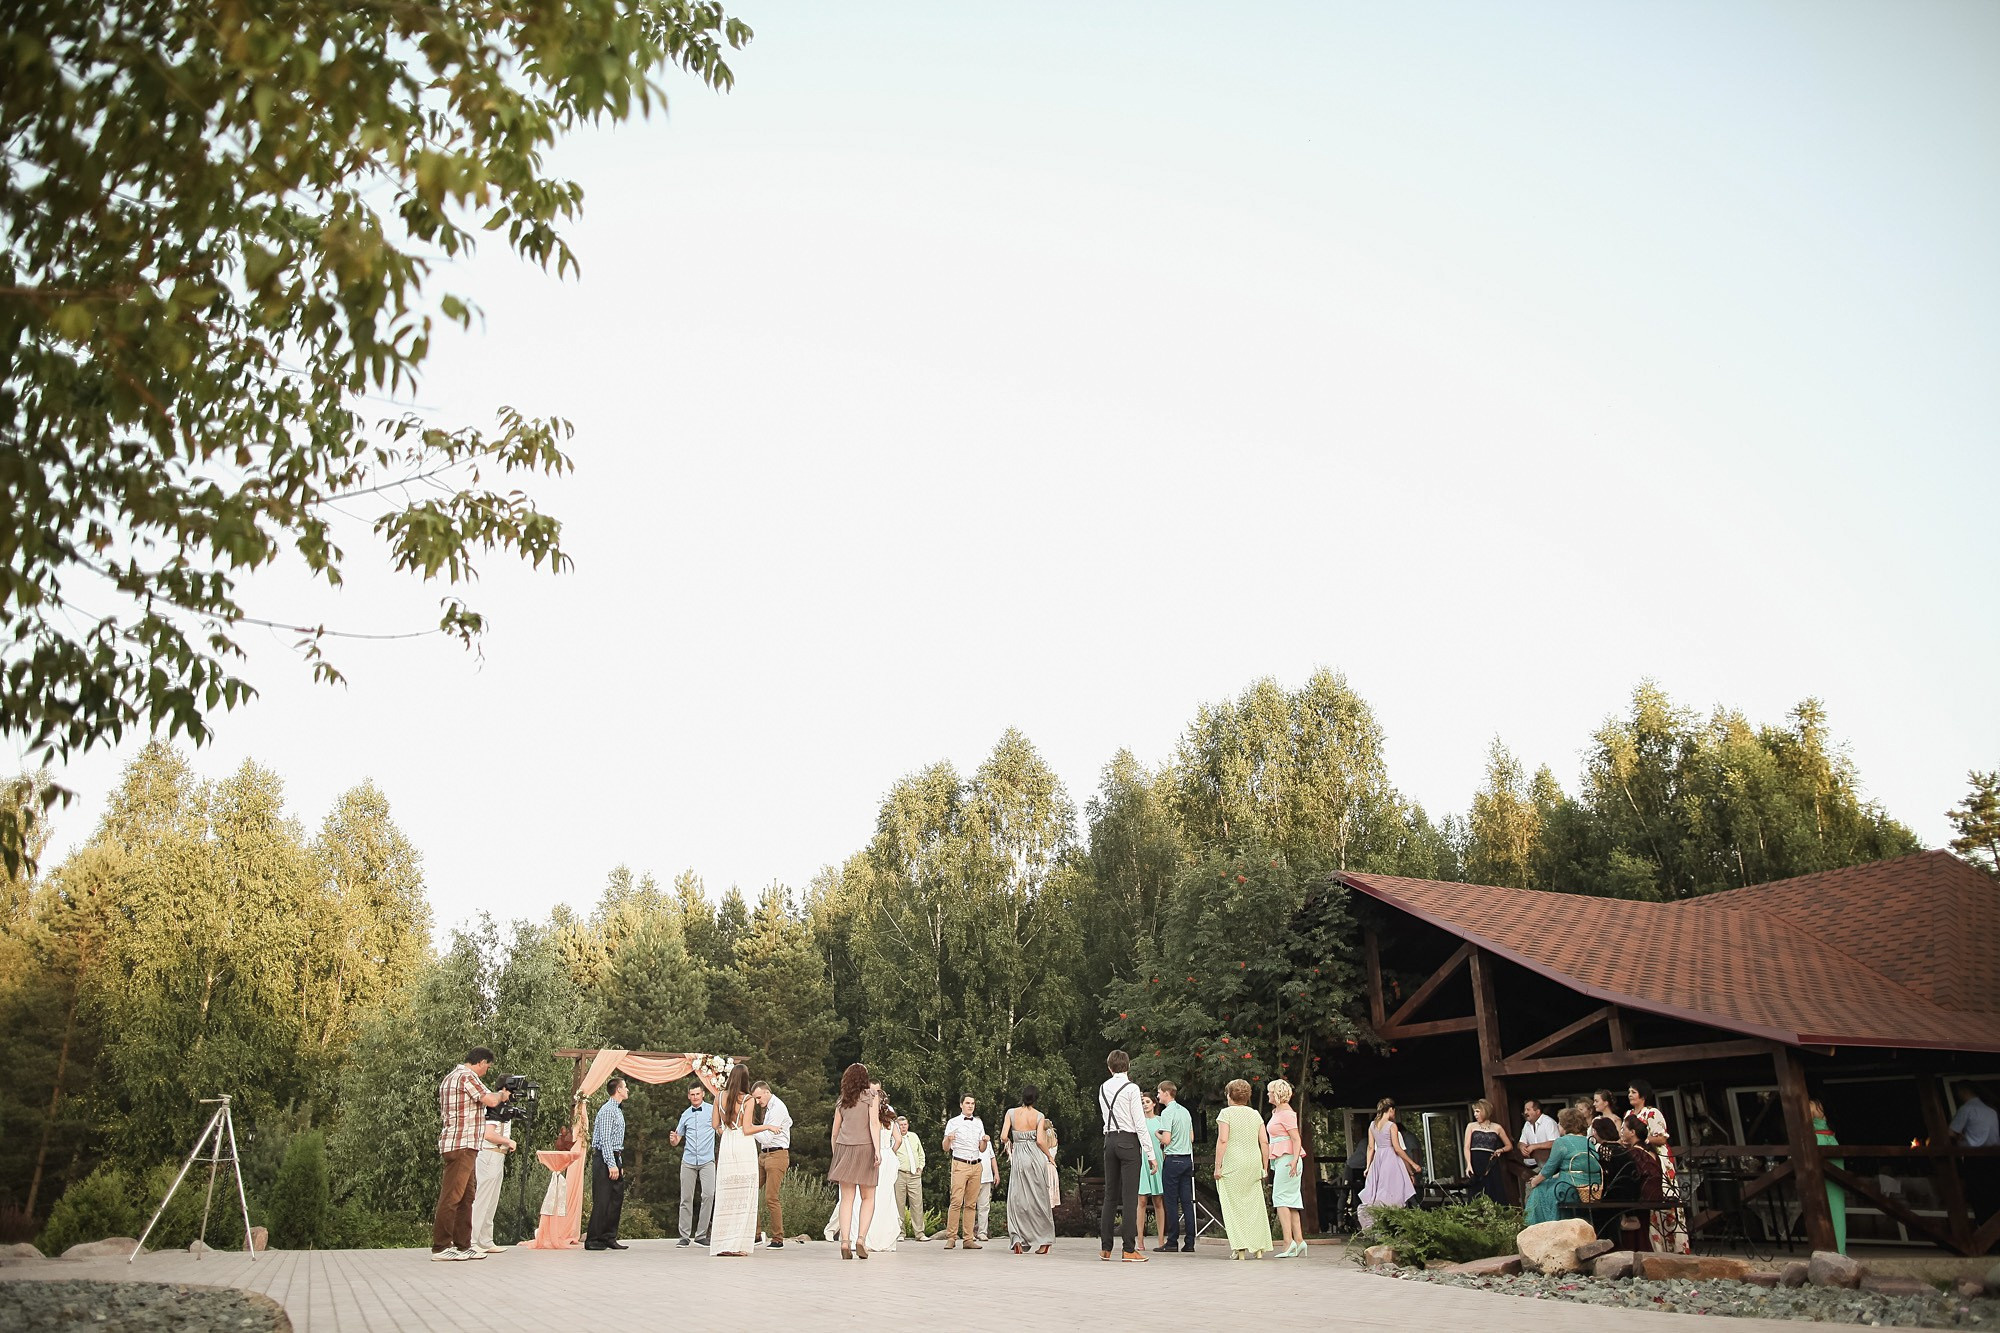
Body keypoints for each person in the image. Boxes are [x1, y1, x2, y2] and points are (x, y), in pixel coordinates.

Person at [433, 1048, 511, 1261]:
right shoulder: (466, 1076)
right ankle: (441, 1247)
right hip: (462, 1144)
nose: (487, 1071)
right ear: (481, 1062)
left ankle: (463, 1245)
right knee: (452, 1196)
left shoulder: (451, 1077)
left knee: (466, 1197)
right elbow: (490, 1100)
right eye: (488, 1066)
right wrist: (502, 1095)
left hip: (461, 1144)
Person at [1098, 1049, 1158, 1262]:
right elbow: (1140, 1124)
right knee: (1130, 1196)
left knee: (1110, 1195)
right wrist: (1151, 1154)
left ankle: (1105, 1248)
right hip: (1128, 1141)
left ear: (1109, 1067)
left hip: (1109, 1139)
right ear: (1128, 1066)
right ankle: (1129, 1249)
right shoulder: (1132, 1088)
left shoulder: (1103, 1087)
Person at [1627, 1080, 1689, 1253]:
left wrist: (1643, 1140)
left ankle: (1674, 1246)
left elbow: (1661, 1138)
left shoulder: (1652, 1112)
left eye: (1633, 1092)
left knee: (1664, 1199)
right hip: (1637, 1158)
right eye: (1629, 1092)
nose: (1630, 1095)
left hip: (1657, 1158)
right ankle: (1654, 1247)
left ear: (1643, 1095)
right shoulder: (1628, 1114)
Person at [1214, 1078, 1272, 1259]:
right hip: (1253, 1162)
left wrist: (1217, 1166)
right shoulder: (1255, 1114)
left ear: (1229, 1095)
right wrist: (1265, 1166)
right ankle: (1259, 1247)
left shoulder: (1226, 1113)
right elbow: (1264, 1141)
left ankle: (1239, 1247)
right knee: (1255, 1205)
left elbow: (1223, 1140)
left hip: (1234, 1163)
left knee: (1233, 1205)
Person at [827, 1063, 881, 1258]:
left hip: (844, 1148)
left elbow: (834, 1132)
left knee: (846, 1199)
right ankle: (860, 1239)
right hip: (865, 1147)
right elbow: (874, 1124)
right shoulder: (871, 1096)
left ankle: (844, 1242)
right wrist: (877, 1150)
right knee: (868, 1197)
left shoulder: (842, 1100)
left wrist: (837, 1154)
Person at [709, 1065, 763, 1257]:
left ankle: (723, 1243)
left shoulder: (718, 1097)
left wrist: (724, 1132)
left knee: (726, 1194)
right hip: (743, 1145)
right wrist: (767, 1126)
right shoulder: (748, 1099)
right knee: (744, 1194)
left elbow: (715, 1124)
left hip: (727, 1143)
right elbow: (747, 1128)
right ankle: (738, 1243)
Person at [1002, 1083, 1057, 1254]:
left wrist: (1010, 1143)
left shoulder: (1011, 1113)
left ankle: (1018, 1239)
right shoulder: (1039, 1116)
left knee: (1017, 1199)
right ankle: (1044, 1241)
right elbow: (1040, 1140)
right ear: (1035, 1099)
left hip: (1019, 1159)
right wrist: (1049, 1156)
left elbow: (1003, 1136)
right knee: (1039, 1200)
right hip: (1034, 1158)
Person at [1524, 1106, 1602, 1225]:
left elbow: (1550, 1167)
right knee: (1548, 1184)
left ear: (1566, 1125)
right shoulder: (1587, 1141)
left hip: (1570, 1188)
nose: (1558, 1125)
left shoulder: (1562, 1141)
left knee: (1539, 1190)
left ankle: (1543, 1226)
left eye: (1559, 1123)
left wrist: (1535, 1181)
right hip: (1591, 1187)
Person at [585, 1076, 631, 1251]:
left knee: (615, 1199)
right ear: (618, 1090)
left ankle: (608, 1236)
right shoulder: (607, 1110)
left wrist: (619, 1163)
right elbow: (605, 1140)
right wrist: (611, 1163)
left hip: (615, 1156)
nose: (627, 1090)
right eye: (625, 1087)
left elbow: (616, 1140)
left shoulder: (618, 1110)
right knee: (603, 1199)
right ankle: (593, 1239)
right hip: (605, 1158)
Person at [1358, 1098, 1419, 1227]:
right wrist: (1413, 1164)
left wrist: (1368, 1166)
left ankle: (1382, 1221)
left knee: (1380, 1190)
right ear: (1390, 1109)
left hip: (1378, 1159)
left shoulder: (1372, 1125)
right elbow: (1397, 1148)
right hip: (1391, 1160)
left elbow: (1370, 1147)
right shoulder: (1392, 1126)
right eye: (1394, 1110)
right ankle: (1394, 1222)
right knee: (1393, 1191)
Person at [1949, 1081, 1999, 1234]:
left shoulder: (1967, 1109)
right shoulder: (1991, 1111)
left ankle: (1984, 1233)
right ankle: (1994, 1233)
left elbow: (1950, 1133)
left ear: (1964, 1091)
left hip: (1976, 1159)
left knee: (1979, 1196)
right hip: (1994, 1157)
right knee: (1994, 1195)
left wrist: (1960, 1139)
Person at [941, 1094, 989, 1249]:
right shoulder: (953, 1122)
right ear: (961, 1105)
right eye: (967, 1103)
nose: (970, 1106)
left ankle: (968, 1238)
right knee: (956, 1201)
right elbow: (945, 1148)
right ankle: (951, 1237)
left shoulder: (978, 1123)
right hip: (960, 1163)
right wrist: (949, 1139)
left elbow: (982, 1149)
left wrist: (985, 1141)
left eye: (972, 1103)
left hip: (976, 1164)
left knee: (971, 1203)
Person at [671, 1083, 717, 1248]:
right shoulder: (685, 1115)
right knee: (686, 1198)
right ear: (688, 1096)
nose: (695, 1097)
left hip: (707, 1160)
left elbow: (720, 1129)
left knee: (709, 1195)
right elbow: (677, 1139)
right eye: (692, 1094)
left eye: (697, 1094)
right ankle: (684, 1236)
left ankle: (701, 1234)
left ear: (703, 1094)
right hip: (689, 1161)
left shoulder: (712, 1110)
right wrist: (674, 1140)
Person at [749, 1080, 793, 1247]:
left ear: (767, 1092)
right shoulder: (768, 1108)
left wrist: (749, 1129)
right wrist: (756, 1128)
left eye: (759, 1097)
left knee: (771, 1197)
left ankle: (777, 1238)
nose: (757, 1101)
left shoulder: (778, 1108)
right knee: (751, 1190)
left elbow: (767, 1137)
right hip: (764, 1155)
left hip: (777, 1155)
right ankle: (756, 1234)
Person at [1266, 1079, 1306, 1259]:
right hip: (1283, 1158)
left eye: (1270, 1091)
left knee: (1280, 1199)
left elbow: (1296, 1138)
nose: (1268, 1094)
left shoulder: (1287, 1114)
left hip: (1288, 1158)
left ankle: (1288, 1242)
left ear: (1277, 1094)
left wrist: (1295, 1160)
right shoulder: (1277, 1112)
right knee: (1290, 1200)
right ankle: (1299, 1240)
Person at [1155, 1081, 1196, 1253]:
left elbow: (1166, 1140)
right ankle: (1190, 1242)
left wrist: (1157, 1134)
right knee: (1187, 1201)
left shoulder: (1167, 1112)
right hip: (1186, 1159)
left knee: (1171, 1201)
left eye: (1159, 1092)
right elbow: (1191, 1138)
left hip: (1173, 1159)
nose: (1158, 1096)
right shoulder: (1185, 1111)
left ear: (1166, 1093)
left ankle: (1172, 1241)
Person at [468, 1107, 516, 1255]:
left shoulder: (502, 1107)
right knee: (483, 1200)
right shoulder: (495, 1106)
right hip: (489, 1154)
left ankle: (485, 1240)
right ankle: (471, 1240)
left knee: (491, 1201)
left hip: (497, 1154)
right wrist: (508, 1141)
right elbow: (488, 1134)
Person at [1803, 1098, 1846, 1255]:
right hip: (1830, 1141)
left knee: (1820, 1200)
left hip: (1819, 1142)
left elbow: (1803, 1123)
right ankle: (1838, 1248)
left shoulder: (1811, 1104)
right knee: (1835, 1199)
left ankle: (1826, 1248)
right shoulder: (1825, 1105)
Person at [863, 1091, 903, 1254]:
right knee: (887, 1197)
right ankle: (886, 1239)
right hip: (887, 1157)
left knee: (871, 1197)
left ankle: (869, 1237)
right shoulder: (890, 1122)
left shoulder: (871, 1121)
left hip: (874, 1156)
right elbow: (899, 1140)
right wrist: (890, 1151)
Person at [1462, 1100, 1512, 1205]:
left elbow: (1509, 1145)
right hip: (1475, 1162)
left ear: (1485, 1111)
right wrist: (1469, 1164)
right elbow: (1466, 1147)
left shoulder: (1497, 1127)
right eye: (1474, 1112)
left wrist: (1500, 1150)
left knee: (1494, 1192)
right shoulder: (1471, 1126)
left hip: (1490, 1163)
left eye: (1477, 1111)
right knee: (1476, 1194)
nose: (1475, 1114)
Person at [891, 1114, 928, 1241]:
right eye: (901, 1125)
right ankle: (900, 1233)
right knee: (899, 1204)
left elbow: (921, 1153)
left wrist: (921, 1167)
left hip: (914, 1175)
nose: (903, 1127)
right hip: (900, 1174)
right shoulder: (893, 1139)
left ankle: (920, 1233)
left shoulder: (914, 1136)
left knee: (917, 1204)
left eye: (905, 1124)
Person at [1137, 1092, 1166, 1251]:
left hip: (1158, 1160)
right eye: (1142, 1102)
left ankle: (1161, 1240)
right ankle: (1140, 1240)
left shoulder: (1161, 1121)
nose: (1145, 1105)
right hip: (1142, 1162)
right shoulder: (1138, 1122)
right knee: (1141, 1200)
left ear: (1154, 1103)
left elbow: (1166, 1141)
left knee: (1158, 1201)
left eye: (1148, 1102)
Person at [1519, 1098, 1558, 1169]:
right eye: (1525, 1110)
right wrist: (1522, 1147)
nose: (1525, 1112)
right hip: (1533, 1164)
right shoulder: (1527, 1124)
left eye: (1528, 1110)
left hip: (1550, 1164)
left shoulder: (1549, 1122)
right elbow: (1521, 1142)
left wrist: (1534, 1146)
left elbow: (1555, 1143)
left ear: (1537, 1111)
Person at [976, 1138, 997, 1242]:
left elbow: (992, 1157)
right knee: (970, 1206)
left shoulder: (987, 1142)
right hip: (973, 1178)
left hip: (987, 1178)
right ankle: (969, 1233)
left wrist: (996, 1173)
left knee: (984, 1207)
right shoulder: (969, 1139)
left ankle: (982, 1232)